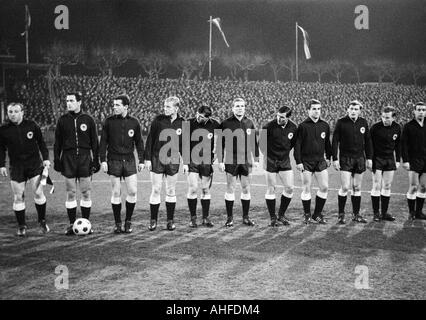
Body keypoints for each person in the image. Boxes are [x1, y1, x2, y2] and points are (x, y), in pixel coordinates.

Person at [0, 103, 51, 236]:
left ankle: (42, 220)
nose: (13, 114)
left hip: (34, 164)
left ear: (22, 112)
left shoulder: (32, 125)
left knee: (38, 193)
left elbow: (41, 143)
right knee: (18, 196)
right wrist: (1, 165)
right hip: (16, 166)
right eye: (10, 111)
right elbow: (1, 149)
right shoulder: (4, 129)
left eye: (16, 111)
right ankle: (22, 225)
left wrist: (45, 158)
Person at [53, 92, 100, 235]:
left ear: (79, 102)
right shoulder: (62, 120)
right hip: (68, 159)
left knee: (86, 193)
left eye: (71, 100)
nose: (68, 103)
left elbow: (94, 143)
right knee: (71, 192)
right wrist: (57, 159)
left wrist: (95, 160)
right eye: (67, 100)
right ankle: (72, 224)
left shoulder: (88, 119)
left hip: (85, 159)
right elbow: (57, 143)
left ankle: (86, 223)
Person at [99, 94, 145, 234]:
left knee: (132, 191)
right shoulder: (109, 122)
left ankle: (128, 221)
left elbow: (139, 142)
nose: (114, 107)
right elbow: (103, 142)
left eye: (117, 105)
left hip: (130, 160)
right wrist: (103, 160)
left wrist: (142, 160)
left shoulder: (134, 122)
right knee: (116, 192)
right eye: (114, 105)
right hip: (114, 160)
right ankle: (118, 222)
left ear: (125, 107)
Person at [217, 98, 259, 227]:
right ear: (232, 108)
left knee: (246, 188)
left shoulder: (249, 122)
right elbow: (220, 144)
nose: (240, 108)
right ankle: (230, 218)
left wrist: (256, 159)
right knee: (231, 188)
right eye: (237, 106)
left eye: (242, 106)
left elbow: (253, 143)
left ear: (245, 108)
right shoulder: (225, 123)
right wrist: (220, 161)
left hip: (246, 160)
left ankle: (245, 217)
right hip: (231, 159)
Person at [145, 96, 185, 231]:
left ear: (176, 108)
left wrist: (186, 162)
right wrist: (148, 158)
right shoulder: (158, 120)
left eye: (168, 107)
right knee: (156, 189)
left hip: (173, 159)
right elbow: (150, 139)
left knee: (171, 190)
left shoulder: (183, 122)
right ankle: (153, 220)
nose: (165, 109)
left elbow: (184, 145)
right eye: (165, 106)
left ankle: (170, 221)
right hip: (157, 157)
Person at [332, 100, 373, 224]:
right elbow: (335, 141)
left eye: (356, 109)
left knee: (357, 187)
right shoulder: (341, 122)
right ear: (347, 110)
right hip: (346, 158)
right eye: (351, 109)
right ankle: (341, 214)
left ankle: (356, 215)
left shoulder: (363, 122)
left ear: (359, 111)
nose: (354, 111)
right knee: (345, 187)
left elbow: (368, 141)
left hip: (360, 158)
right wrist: (335, 158)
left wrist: (369, 158)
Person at [294, 99, 331, 224]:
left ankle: (317, 214)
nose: (317, 111)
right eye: (314, 109)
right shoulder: (303, 126)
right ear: (308, 110)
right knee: (307, 188)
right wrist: (298, 161)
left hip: (320, 161)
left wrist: (329, 156)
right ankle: (307, 214)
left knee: (324, 187)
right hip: (306, 161)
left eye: (318, 109)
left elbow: (327, 143)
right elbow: (297, 145)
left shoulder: (325, 125)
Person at [259, 105, 297, 226]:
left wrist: (283, 154)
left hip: (284, 160)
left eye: (282, 117)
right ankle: (273, 217)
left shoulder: (293, 127)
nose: (279, 119)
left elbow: (292, 144)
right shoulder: (268, 126)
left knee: (290, 188)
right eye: (278, 116)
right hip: (270, 160)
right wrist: (269, 156)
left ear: (288, 117)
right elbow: (261, 145)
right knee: (271, 188)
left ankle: (281, 214)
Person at [184, 105, 219, 228]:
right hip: (192, 161)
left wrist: (216, 153)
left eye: (202, 117)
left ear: (208, 118)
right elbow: (184, 144)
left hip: (206, 161)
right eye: (197, 115)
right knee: (193, 188)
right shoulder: (188, 123)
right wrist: (185, 162)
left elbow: (218, 141)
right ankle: (193, 218)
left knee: (205, 189)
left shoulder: (215, 124)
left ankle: (205, 217)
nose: (198, 118)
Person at [370, 106, 401, 222]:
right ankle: (376, 213)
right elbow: (369, 145)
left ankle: (384, 213)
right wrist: (370, 159)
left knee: (387, 186)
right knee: (376, 185)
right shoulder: (375, 128)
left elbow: (398, 145)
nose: (384, 119)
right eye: (383, 117)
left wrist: (398, 160)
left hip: (389, 159)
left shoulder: (397, 128)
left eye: (387, 117)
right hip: (377, 158)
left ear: (393, 117)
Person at [401, 101, 426, 220]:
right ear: (414, 111)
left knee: (424, 187)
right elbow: (404, 145)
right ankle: (411, 212)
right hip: (414, 160)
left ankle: (419, 212)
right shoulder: (409, 126)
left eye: (423, 110)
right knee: (414, 187)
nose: (421, 112)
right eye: (419, 110)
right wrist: (405, 160)